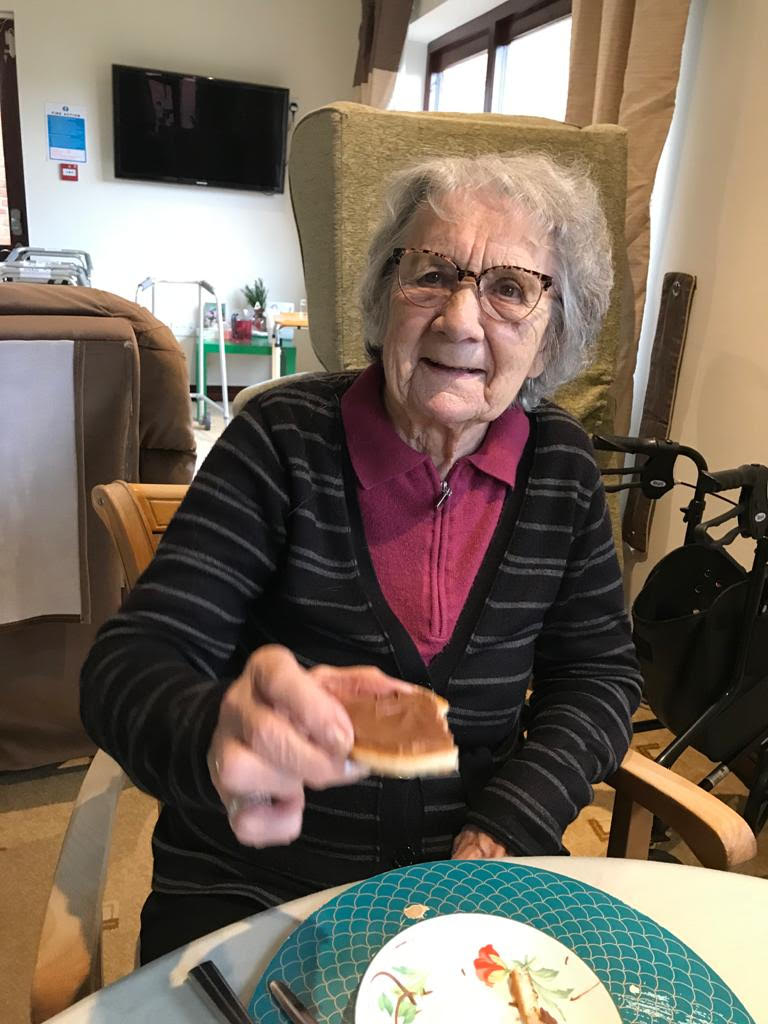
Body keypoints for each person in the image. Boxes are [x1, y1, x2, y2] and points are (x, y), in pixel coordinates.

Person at [80, 152, 643, 963]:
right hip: (258, 888)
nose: (460, 319)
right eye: (432, 275)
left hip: (472, 886)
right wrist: (218, 731)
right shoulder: (282, 441)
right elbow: (128, 665)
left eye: (509, 289)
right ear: (385, 294)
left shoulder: (562, 468)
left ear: (556, 330)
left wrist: (509, 822)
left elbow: (596, 674)